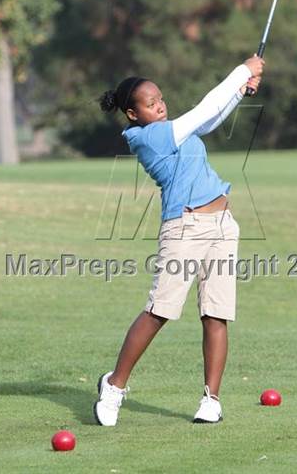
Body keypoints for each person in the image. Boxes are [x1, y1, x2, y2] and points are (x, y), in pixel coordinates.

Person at [94, 55, 265, 426]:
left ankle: (211, 400)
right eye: (150, 102)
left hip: (222, 225)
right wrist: (240, 71)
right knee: (160, 311)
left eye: (160, 98)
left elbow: (209, 119)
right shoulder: (147, 137)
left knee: (216, 313)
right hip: (184, 228)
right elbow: (202, 110)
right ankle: (114, 386)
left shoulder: (172, 129)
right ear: (132, 114)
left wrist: (238, 92)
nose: (160, 104)